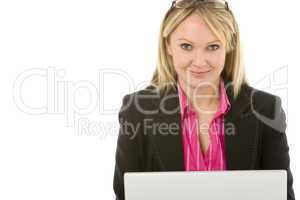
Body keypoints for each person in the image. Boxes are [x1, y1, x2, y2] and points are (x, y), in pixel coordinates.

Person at [113, 0, 295, 200]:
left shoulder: (266, 110)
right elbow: (125, 195)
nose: (199, 62)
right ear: (168, 46)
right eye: (186, 46)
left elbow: (282, 195)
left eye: (213, 47)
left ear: (229, 47)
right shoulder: (137, 112)